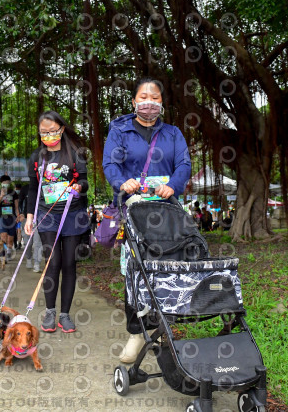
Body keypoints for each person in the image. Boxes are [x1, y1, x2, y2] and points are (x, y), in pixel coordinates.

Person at [102, 77, 191, 363]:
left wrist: (173, 186)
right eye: (143, 96)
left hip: (166, 210)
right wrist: (121, 182)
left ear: (161, 103)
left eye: (155, 97)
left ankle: (164, 329)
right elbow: (110, 164)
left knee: (168, 266)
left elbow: (184, 164)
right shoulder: (119, 130)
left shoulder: (174, 133)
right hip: (134, 211)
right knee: (134, 271)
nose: (149, 101)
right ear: (134, 102)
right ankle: (137, 333)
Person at [25, 110, 89, 333]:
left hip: (73, 214)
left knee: (69, 264)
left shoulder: (75, 153)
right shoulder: (37, 157)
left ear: (61, 129)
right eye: (44, 132)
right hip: (47, 215)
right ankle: (50, 312)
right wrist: (30, 217)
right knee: (52, 263)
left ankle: (65, 315)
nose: (48, 135)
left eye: (52, 131)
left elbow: (84, 180)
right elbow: (33, 189)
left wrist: (79, 187)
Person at [0, 176, 21, 259]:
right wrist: (1, 196)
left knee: (10, 238)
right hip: (1, 216)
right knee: (3, 235)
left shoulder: (13, 193)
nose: (6, 184)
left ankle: (8, 251)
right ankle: (3, 253)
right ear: (1, 183)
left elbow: (16, 206)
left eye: (8, 183)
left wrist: (18, 216)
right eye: (5, 183)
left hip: (11, 217)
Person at [14, 183, 27, 249]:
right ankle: (17, 243)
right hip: (16, 216)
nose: (17, 190)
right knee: (17, 230)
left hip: (21, 216)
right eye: (16, 189)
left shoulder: (24, 198)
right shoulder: (14, 197)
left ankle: (19, 243)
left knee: (19, 230)